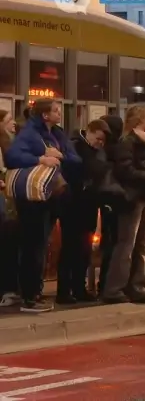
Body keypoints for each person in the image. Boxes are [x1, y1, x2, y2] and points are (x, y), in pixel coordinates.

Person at [4, 99, 81, 312]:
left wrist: (61, 156)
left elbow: (75, 159)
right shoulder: (29, 134)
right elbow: (12, 157)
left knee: (42, 244)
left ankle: (34, 291)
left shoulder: (58, 134)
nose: (59, 113)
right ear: (44, 115)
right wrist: (40, 158)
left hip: (54, 197)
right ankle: (30, 295)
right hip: (33, 199)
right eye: (55, 110)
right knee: (33, 245)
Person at [102, 106, 145, 304]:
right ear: (139, 119)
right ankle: (115, 288)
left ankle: (138, 286)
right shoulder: (127, 142)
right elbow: (124, 170)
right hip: (132, 197)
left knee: (142, 243)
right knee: (127, 244)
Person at [58, 119, 111, 304]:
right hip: (73, 205)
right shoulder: (76, 146)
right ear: (90, 131)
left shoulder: (94, 151)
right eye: (98, 138)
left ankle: (79, 288)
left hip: (88, 204)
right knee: (70, 248)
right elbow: (83, 170)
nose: (100, 143)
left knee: (84, 250)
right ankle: (64, 290)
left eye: (102, 141)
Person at [96, 114, 123, 295]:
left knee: (109, 243)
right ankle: (106, 283)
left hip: (106, 199)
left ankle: (103, 283)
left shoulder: (104, 149)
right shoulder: (116, 150)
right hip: (115, 199)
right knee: (114, 243)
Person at [0, 108, 19, 307]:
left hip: (8, 201)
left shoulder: (11, 144)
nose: (14, 123)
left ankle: (9, 289)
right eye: (8, 120)